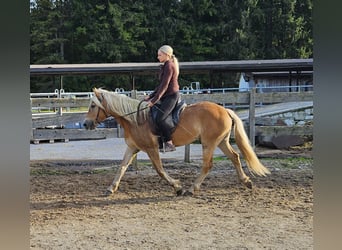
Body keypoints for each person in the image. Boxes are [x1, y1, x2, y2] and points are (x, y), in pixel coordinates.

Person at [145, 45, 180, 152]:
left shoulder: (169, 66)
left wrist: (154, 100)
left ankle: (169, 143)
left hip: (171, 96)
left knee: (160, 118)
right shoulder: (165, 65)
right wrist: (150, 96)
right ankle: (159, 142)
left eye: (160, 55)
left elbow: (165, 86)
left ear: (167, 55)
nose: (158, 57)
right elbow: (160, 85)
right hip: (166, 96)